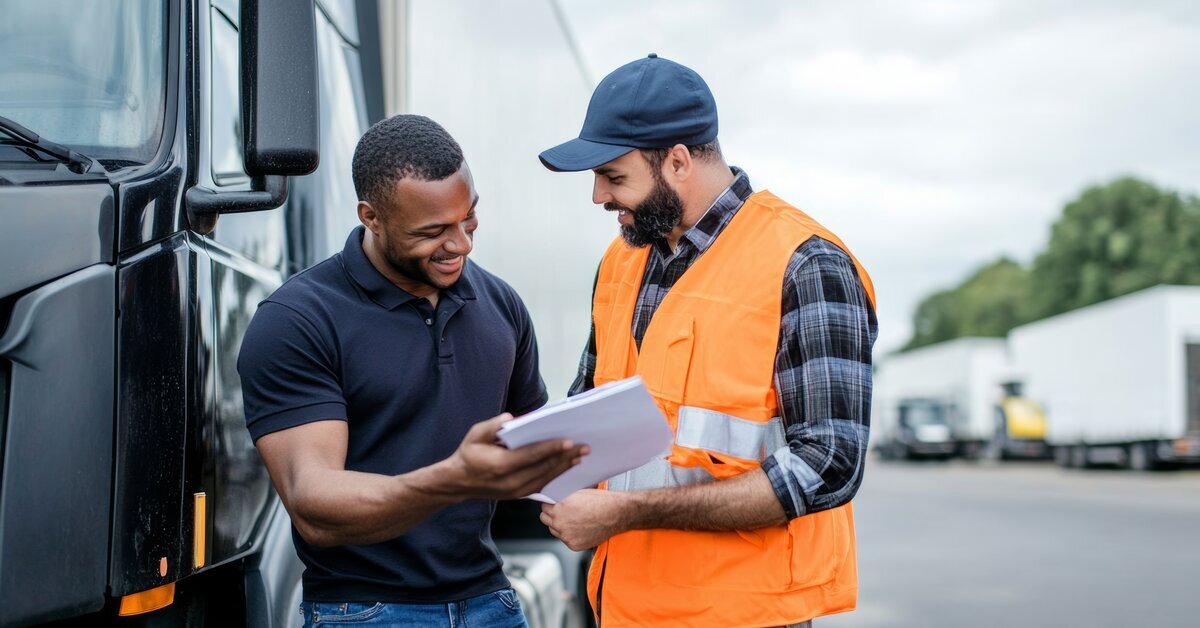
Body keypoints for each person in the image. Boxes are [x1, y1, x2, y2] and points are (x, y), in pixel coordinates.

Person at [537, 54, 878, 627]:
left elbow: (828, 464)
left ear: (676, 162)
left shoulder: (806, 264)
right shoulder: (622, 263)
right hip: (624, 607)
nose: (598, 196)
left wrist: (623, 513)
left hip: (744, 613)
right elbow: (589, 407)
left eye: (613, 176)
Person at [238, 114, 586, 628]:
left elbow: (527, 459)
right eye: (433, 232)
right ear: (371, 217)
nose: (462, 244)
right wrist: (451, 479)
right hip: (364, 612)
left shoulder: (501, 304)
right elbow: (313, 503)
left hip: (493, 603)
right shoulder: (298, 321)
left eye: (468, 219)